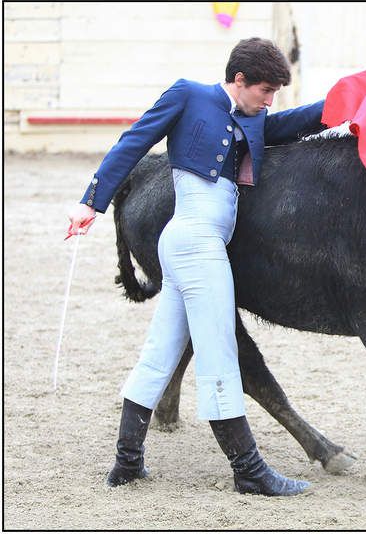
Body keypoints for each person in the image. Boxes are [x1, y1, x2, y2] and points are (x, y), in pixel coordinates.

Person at [66, 37, 326, 496]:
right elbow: (135, 141)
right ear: (239, 80)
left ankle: (126, 462)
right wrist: (92, 202)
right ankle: (248, 470)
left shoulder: (253, 115)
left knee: (160, 352)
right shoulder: (189, 94)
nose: (269, 101)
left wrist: (344, 104)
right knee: (219, 350)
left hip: (192, 244)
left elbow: (285, 125)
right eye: (265, 91)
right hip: (196, 242)